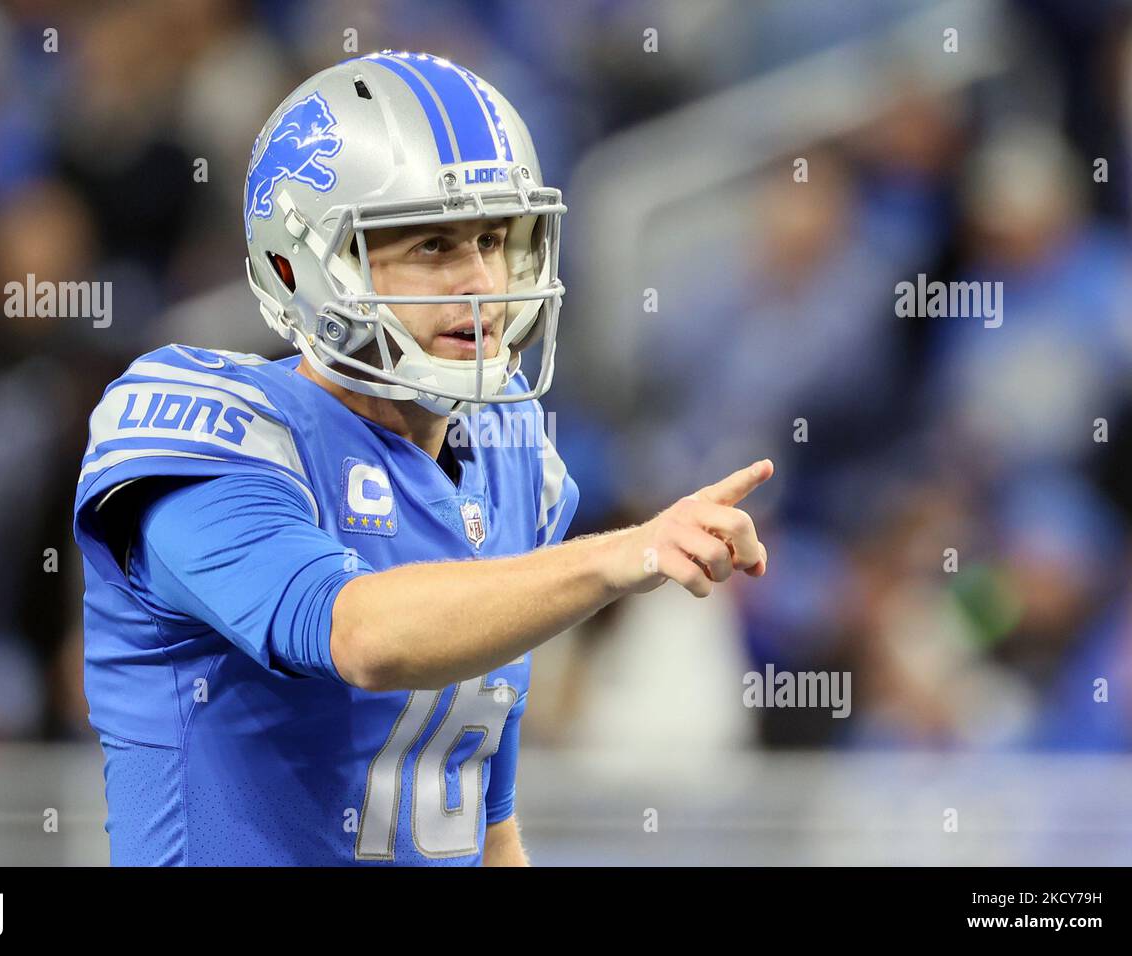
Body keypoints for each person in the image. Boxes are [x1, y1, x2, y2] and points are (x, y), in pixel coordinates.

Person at [72, 51, 773, 866]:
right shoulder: (209, 430)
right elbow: (357, 635)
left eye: (492, 238)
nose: (481, 281)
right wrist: (624, 553)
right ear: (304, 266)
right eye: (435, 246)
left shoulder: (510, 450)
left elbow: (486, 822)